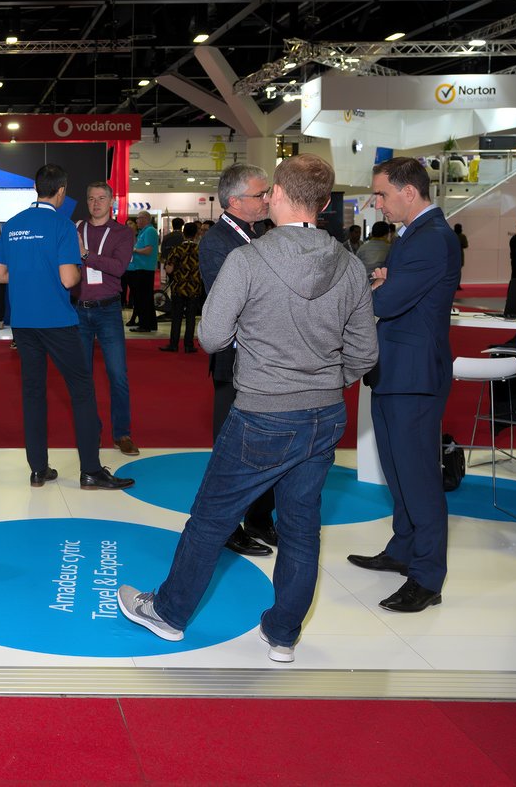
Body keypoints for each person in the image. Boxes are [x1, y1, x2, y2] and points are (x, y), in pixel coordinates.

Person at [118, 153, 377, 661]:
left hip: (263, 412)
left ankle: (168, 613)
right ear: (324, 202)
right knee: (301, 527)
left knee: (210, 519)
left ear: (277, 194)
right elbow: (365, 353)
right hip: (325, 414)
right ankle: (282, 634)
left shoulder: (248, 260)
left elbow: (213, 338)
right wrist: (328, 381)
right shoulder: (349, 265)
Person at [348, 156, 460, 613]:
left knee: (418, 479)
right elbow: (393, 292)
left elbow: (388, 300)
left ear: (409, 191)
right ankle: (403, 549)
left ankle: (427, 577)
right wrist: (383, 283)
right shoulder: (415, 234)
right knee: (398, 471)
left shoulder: (431, 238)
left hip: (413, 375)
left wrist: (379, 286)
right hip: (397, 370)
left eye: (382, 193)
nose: (378, 203)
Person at [0, 164, 132, 491]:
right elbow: (69, 279)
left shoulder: (13, 224)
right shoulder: (63, 225)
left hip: (23, 324)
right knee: (82, 391)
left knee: (33, 393)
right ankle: (91, 471)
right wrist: (68, 273)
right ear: (62, 191)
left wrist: (30, 276)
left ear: (36, 188)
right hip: (57, 321)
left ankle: (38, 470)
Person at [198, 164, 276, 558]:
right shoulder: (217, 242)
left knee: (265, 446)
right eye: (260, 194)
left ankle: (260, 519)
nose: (267, 199)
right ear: (234, 201)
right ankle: (227, 528)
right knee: (231, 450)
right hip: (233, 360)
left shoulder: (260, 234)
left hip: (263, 359)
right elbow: (229, 303)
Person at [75, 181, 138, 456]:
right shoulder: (76, 229)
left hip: (108, 310)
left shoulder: (122, 233)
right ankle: (91, 431)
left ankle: (122, 433)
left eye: (101, 198)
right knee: (82, 377)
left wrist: (86, 254)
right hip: (78, 310)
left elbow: (118, 267)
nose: (96, 203)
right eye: (91, 198)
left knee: (117, 374)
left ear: (111, 202)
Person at [160, 221, 202, 353]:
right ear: (196, 234)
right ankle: (189, 345)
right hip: (194, 288)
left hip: (179, 287)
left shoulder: (177, 249)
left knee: (177, 317)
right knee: (191, 317)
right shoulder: (200, 250)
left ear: (183, 233)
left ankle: (173, 344)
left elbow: (169, 269)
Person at [126, 211, 159, 331]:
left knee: (143, 298)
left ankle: (145, 325)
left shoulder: (149, 231)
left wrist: (134, 250)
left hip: (145, 268)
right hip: (141, 268)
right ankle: (150, 324)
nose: (137, 221)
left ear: (145, 219)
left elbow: (148, 250)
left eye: (138, 218)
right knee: (145, 298)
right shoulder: (144, 232)